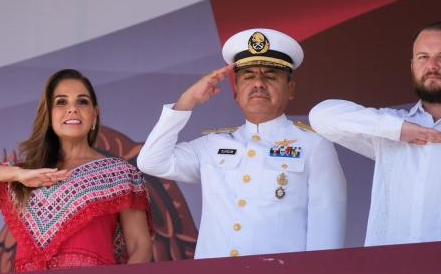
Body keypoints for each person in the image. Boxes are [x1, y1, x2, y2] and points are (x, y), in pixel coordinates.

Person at [136, 28, 347, 258]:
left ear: (291, 89)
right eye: (247, 77)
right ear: (236, 93)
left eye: (270, 76)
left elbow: (327, 231)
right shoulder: (212, 145)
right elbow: (151, 161)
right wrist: (187, 101)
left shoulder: (313, 145)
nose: (258, 84)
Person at [310, 22, 441, 246]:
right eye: (423, 57)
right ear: (413, 66)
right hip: (390, 273)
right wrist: (399, 130)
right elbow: (321, 116)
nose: (432, 66)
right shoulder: (389, 124)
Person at [0, 69, 152, 272]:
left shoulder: (120, 174)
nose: (72, 109)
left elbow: (139, 246)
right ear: (49, 115)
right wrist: (19, 175)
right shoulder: (28, 173)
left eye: (82, 101)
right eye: (61, 102)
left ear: (94, 114)